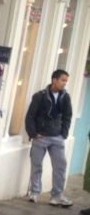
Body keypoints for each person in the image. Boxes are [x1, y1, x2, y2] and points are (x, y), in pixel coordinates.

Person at [25, 69, 73, 206]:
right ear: (54, 80)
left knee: (60, 165)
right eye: (63, 80)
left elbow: (68, 116)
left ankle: (57, 195)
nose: (64, 83)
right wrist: (33, 133)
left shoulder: (65, 97)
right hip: (41, 136)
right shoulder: (40, 96)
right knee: (36, 164)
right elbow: (31, 116)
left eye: (66, 81)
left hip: (57, 136)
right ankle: (34, 192)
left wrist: (63, 133)